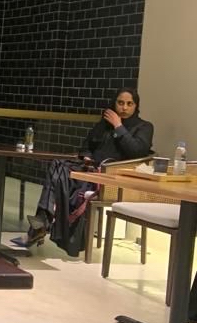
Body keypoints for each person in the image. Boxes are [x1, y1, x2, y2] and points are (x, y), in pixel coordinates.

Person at [18, 86, 154, 250]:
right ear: (114, 103)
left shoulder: (144, 127)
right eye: (120, 103)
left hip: (112, 179)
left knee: (60, 172)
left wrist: (119, 126)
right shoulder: (104, 125)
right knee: (58, 165)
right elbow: (86, 146)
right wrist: (87, 156)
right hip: (89, 170)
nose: (124, 107)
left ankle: (40, 225)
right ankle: (41, 222)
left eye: (129, 104)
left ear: (136, 106)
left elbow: (137, 151)